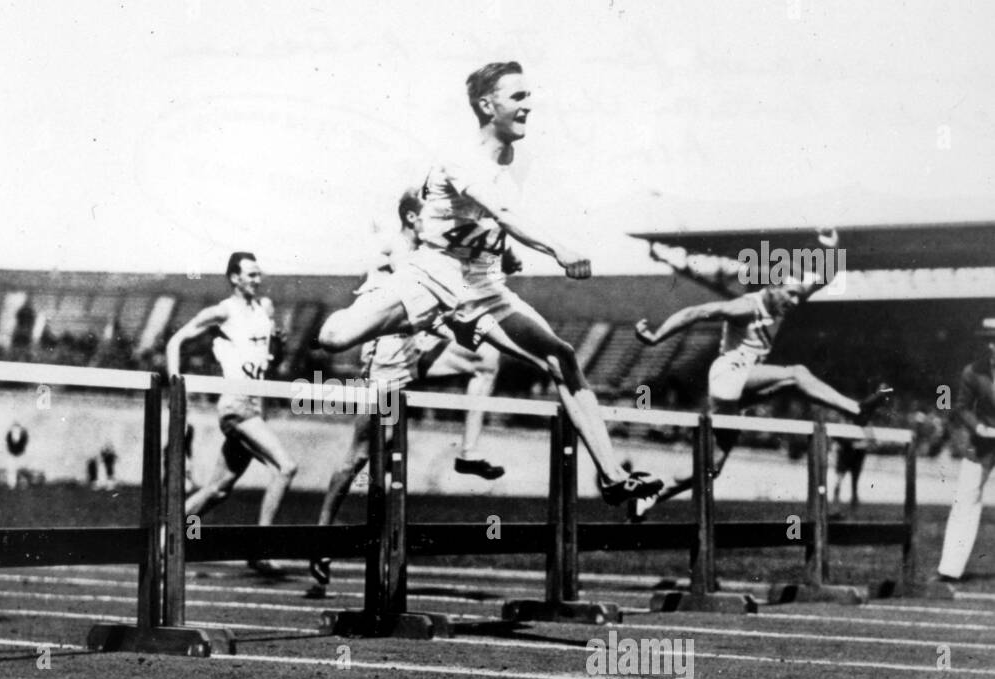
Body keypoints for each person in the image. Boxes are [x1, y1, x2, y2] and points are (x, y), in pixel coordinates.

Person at [315, 62, 661, 508]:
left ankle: (613, 477)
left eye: (528, 96)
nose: (529, 106)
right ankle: (375, 311)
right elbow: (503, 213)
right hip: (429, 276)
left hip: (481, 285)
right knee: (332, 337)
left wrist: (502, 252)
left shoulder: (518, 161)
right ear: (486, 104)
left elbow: (490, 224)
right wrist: (558, 249)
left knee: (562, 356)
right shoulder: (461, 156)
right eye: (518, 97)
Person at [307, 187, 506, 594]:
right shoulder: (395, 246)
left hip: (421, 345)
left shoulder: (432, 253)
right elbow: (403, 279)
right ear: (414, 219)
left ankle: (468, 452)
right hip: (386, 354)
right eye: (429, 216)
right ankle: (321, 535)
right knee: (361, 456)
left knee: (486, 360)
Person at [630, 230, 892, 521]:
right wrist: (656, 338)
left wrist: (831, 246)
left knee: (711, 467)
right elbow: (697, 312)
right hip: (728, 374)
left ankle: (649, 496)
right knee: (796, 374)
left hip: (739, 388)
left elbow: (825, 277)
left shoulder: (786, 297)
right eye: (790, 295)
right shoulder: (746, 307)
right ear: (773, 286)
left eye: (797, 296)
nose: (794, 302)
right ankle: (855, 410)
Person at [166, 252, 296, 577]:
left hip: (257, 406)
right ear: (234, 278)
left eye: (258, 274)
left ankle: (165, 534)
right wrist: (174, 380)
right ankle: (260, 550)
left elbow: (271, 360)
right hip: (236, 406)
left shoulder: (265, 309)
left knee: (218, 489)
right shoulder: (223, 311)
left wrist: (279, 345)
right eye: (251, 274)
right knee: (286, 468)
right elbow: (176, 340)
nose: (257, 279)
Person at [935, 318, 995, 585]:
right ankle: (950, 569)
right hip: (982, 443)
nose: (993, 345)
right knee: (965, 500)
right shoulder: (972, 372)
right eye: (989, 340)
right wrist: (978, 427)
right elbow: (960, 407)